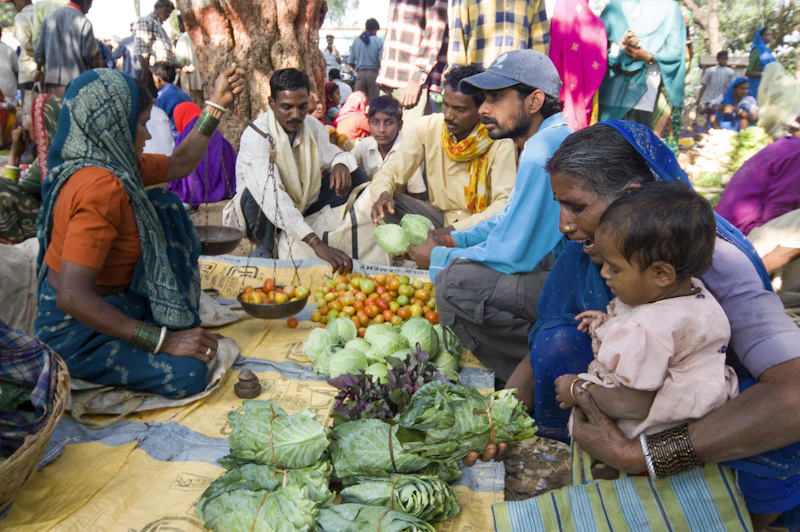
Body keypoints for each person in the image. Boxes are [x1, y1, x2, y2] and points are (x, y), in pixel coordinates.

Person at [524, 121, 800, 531]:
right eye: (560, 205)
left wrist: (642, 454)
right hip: (631, 394)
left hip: (696, 411)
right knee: (561, 337)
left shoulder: (711, 263)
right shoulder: (591, 250)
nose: (564, 224)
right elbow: (550, 340)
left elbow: (792, 393)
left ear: (631, 198)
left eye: (577, 207)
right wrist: (497, 419)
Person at [34, 65, 246, 399]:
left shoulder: (115, 165)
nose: (147, 135)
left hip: (117, 301)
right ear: (114, 126)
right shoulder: (99, 188)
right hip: (75, 328)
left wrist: (215, 105)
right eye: (142, 124)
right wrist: (165, 341)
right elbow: (73, 296)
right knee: (190, 373)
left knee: (161, 202)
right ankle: (79, 363)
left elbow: (180, 164)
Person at [420, 51, 572, 384]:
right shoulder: (549, 137)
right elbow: (509, 217)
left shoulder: (540, 151)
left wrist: (439, 256)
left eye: (496, 98)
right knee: (459, 269)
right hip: (563, 272)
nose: (484, 109)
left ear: (534, 101)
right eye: (484, 99)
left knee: (453, 284)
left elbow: (512, 253)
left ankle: (541, 366)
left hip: (570, 284)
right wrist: (459, 238)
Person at [555, 182, 737, 443]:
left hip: (653, 430)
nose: (604, 272)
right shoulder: (694, 291)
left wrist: (578, 388)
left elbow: (630, 406)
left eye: (614, 268)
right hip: (703, 409)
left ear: (662, 274)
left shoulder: (645, 330)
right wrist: (611, 322)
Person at [228, 68, 366, 271]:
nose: (295, 115)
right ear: (271, 103)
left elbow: (333, 153)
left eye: (302, 107)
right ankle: (265, 247)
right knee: (255, 194)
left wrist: (339, 164)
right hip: (263, 211)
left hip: (301, 201)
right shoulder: (256, 134)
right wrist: (317, 244)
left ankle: (322, 226)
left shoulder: (310, 124)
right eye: (286, 107)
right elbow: (272, 199)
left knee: (356, 175)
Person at [371, 64, 516, 236]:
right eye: (445, 105)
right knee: (383, 198)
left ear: (481, 109)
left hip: (479, 228)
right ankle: (408, 252)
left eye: (459, 109)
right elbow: (391, 171)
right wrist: (383, 194)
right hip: (439, 219)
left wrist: (451, 232)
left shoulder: (500, 141)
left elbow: (503, 205)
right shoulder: (428, 127)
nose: (448, 115)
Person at [716, 136, 800, 308]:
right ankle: (755, 285)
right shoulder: (798, 155)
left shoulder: (791, 145)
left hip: (733, 231)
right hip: (744, 238)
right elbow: (779, 209)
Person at [598, 0, 686, 151]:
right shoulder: (615, 6)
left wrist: (648, 56)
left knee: (637, 151)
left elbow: (676, 53)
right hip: (611, 92)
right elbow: (596, 42)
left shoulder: (669, 8)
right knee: (607, 149)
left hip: (645, 92)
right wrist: (616, 55)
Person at [376, 0, 449, 134]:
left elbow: (435, 32)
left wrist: (417, 78)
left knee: (410, 146)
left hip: (413, 83)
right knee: (386, 145)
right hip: (388, 78)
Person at [0, 94, 61, 244]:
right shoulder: (53, 155)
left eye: (29, 117)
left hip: (46, 229)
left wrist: (15, 154)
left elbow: (9, 194)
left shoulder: (51, 162)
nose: (24, 124)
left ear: (43, 123)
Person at [548, 0, 607, 131]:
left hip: (552, 80)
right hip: (575, 85)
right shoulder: (573, 6)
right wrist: (600, 26)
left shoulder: (561, 6)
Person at [351, 95, 425, 195]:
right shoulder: (366, 144)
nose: (381, 130)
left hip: (398, 202)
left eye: (389, 122)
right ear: (369, 124)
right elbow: (348, 160)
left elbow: (415, 194)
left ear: (400, 125)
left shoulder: (409, 151)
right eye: (375, 122)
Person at [167, 102, 237, 208]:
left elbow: (178, 166)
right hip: (225, 190)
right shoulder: (213, 130)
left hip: (195, 193)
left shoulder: (187, 134)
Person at [448, 0, 550, 69]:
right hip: (478, 77)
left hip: (516, 80)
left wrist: (534, 76)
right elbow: (458, 35)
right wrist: (456, 77)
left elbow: (539, 38)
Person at [34, 0, 98, 98]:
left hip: (51, 81)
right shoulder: (83, 21)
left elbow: (39, 52)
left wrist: (38, 71)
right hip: (76, 83)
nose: (88, 10)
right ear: (86, 3)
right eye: (90, 6)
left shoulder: (49, 16)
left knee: (55, 112)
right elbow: (89, 55)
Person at [134, 0, 176, 93]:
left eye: (170, 12)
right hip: (150, 72)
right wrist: (145, 74)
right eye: (166, 11)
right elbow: (142, 50)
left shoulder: (159, 26)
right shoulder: (146, 21)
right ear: (157, 8)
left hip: (160, 74)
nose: (168, 15)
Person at [152, 61, 193, 141]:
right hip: (188, 137)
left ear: (158, 79)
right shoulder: (183, 94)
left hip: (174, 139)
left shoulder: (163, 97)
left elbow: (157, 123)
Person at [3, 0, 36, 91]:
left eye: (14, 3)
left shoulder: (20, 17)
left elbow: (25, 44)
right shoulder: (43, 13)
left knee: (30, 103)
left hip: (28, 71)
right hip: (44, 71)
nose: (14, 7)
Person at [348, 18, 383, 102]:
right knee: (374, 102)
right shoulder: (379, 42)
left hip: (360, 74)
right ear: (375, 29)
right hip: (373, 73)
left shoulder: (356, 41)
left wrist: (358, 70)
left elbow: (351, 62)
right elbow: (381, 61)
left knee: (359, 102)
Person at [175, 15, 203, 106]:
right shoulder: (200, 35)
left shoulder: (183, 39)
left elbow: (181, 62)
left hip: (190, 82)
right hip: (202, 80)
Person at [746, 27, 776, 100]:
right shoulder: (756, 51)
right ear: (760, 36)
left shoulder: (768, 51)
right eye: (767, 35)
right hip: (757, 85)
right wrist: (763, 73)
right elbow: (748, 72)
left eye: (771, 35)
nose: (770, 37)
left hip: (768, 85)